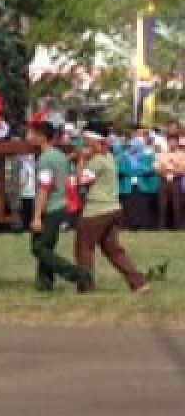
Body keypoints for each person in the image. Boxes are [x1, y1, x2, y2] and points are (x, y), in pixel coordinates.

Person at [75, 126, 149, 295]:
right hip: (114, 208)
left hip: (97, 210)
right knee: (113, 249)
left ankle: (86, 286)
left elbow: (81, 181)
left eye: (87, 141)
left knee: (84, 248)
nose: (85, 144)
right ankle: (138, 282)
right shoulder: (109, 157)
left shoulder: (96, 161)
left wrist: (81, 160)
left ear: (95, 141)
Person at [29, 121, 91, 292]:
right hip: (61, 205)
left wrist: (36, 216)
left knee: (39, 248)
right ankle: (44, 283)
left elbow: (44, 188)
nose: (29, 137)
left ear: (42, 137)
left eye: (32, 134)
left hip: (50, 208)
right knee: (46, 246)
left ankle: (77, 273)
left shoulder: (45, 159)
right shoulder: (59, 156)